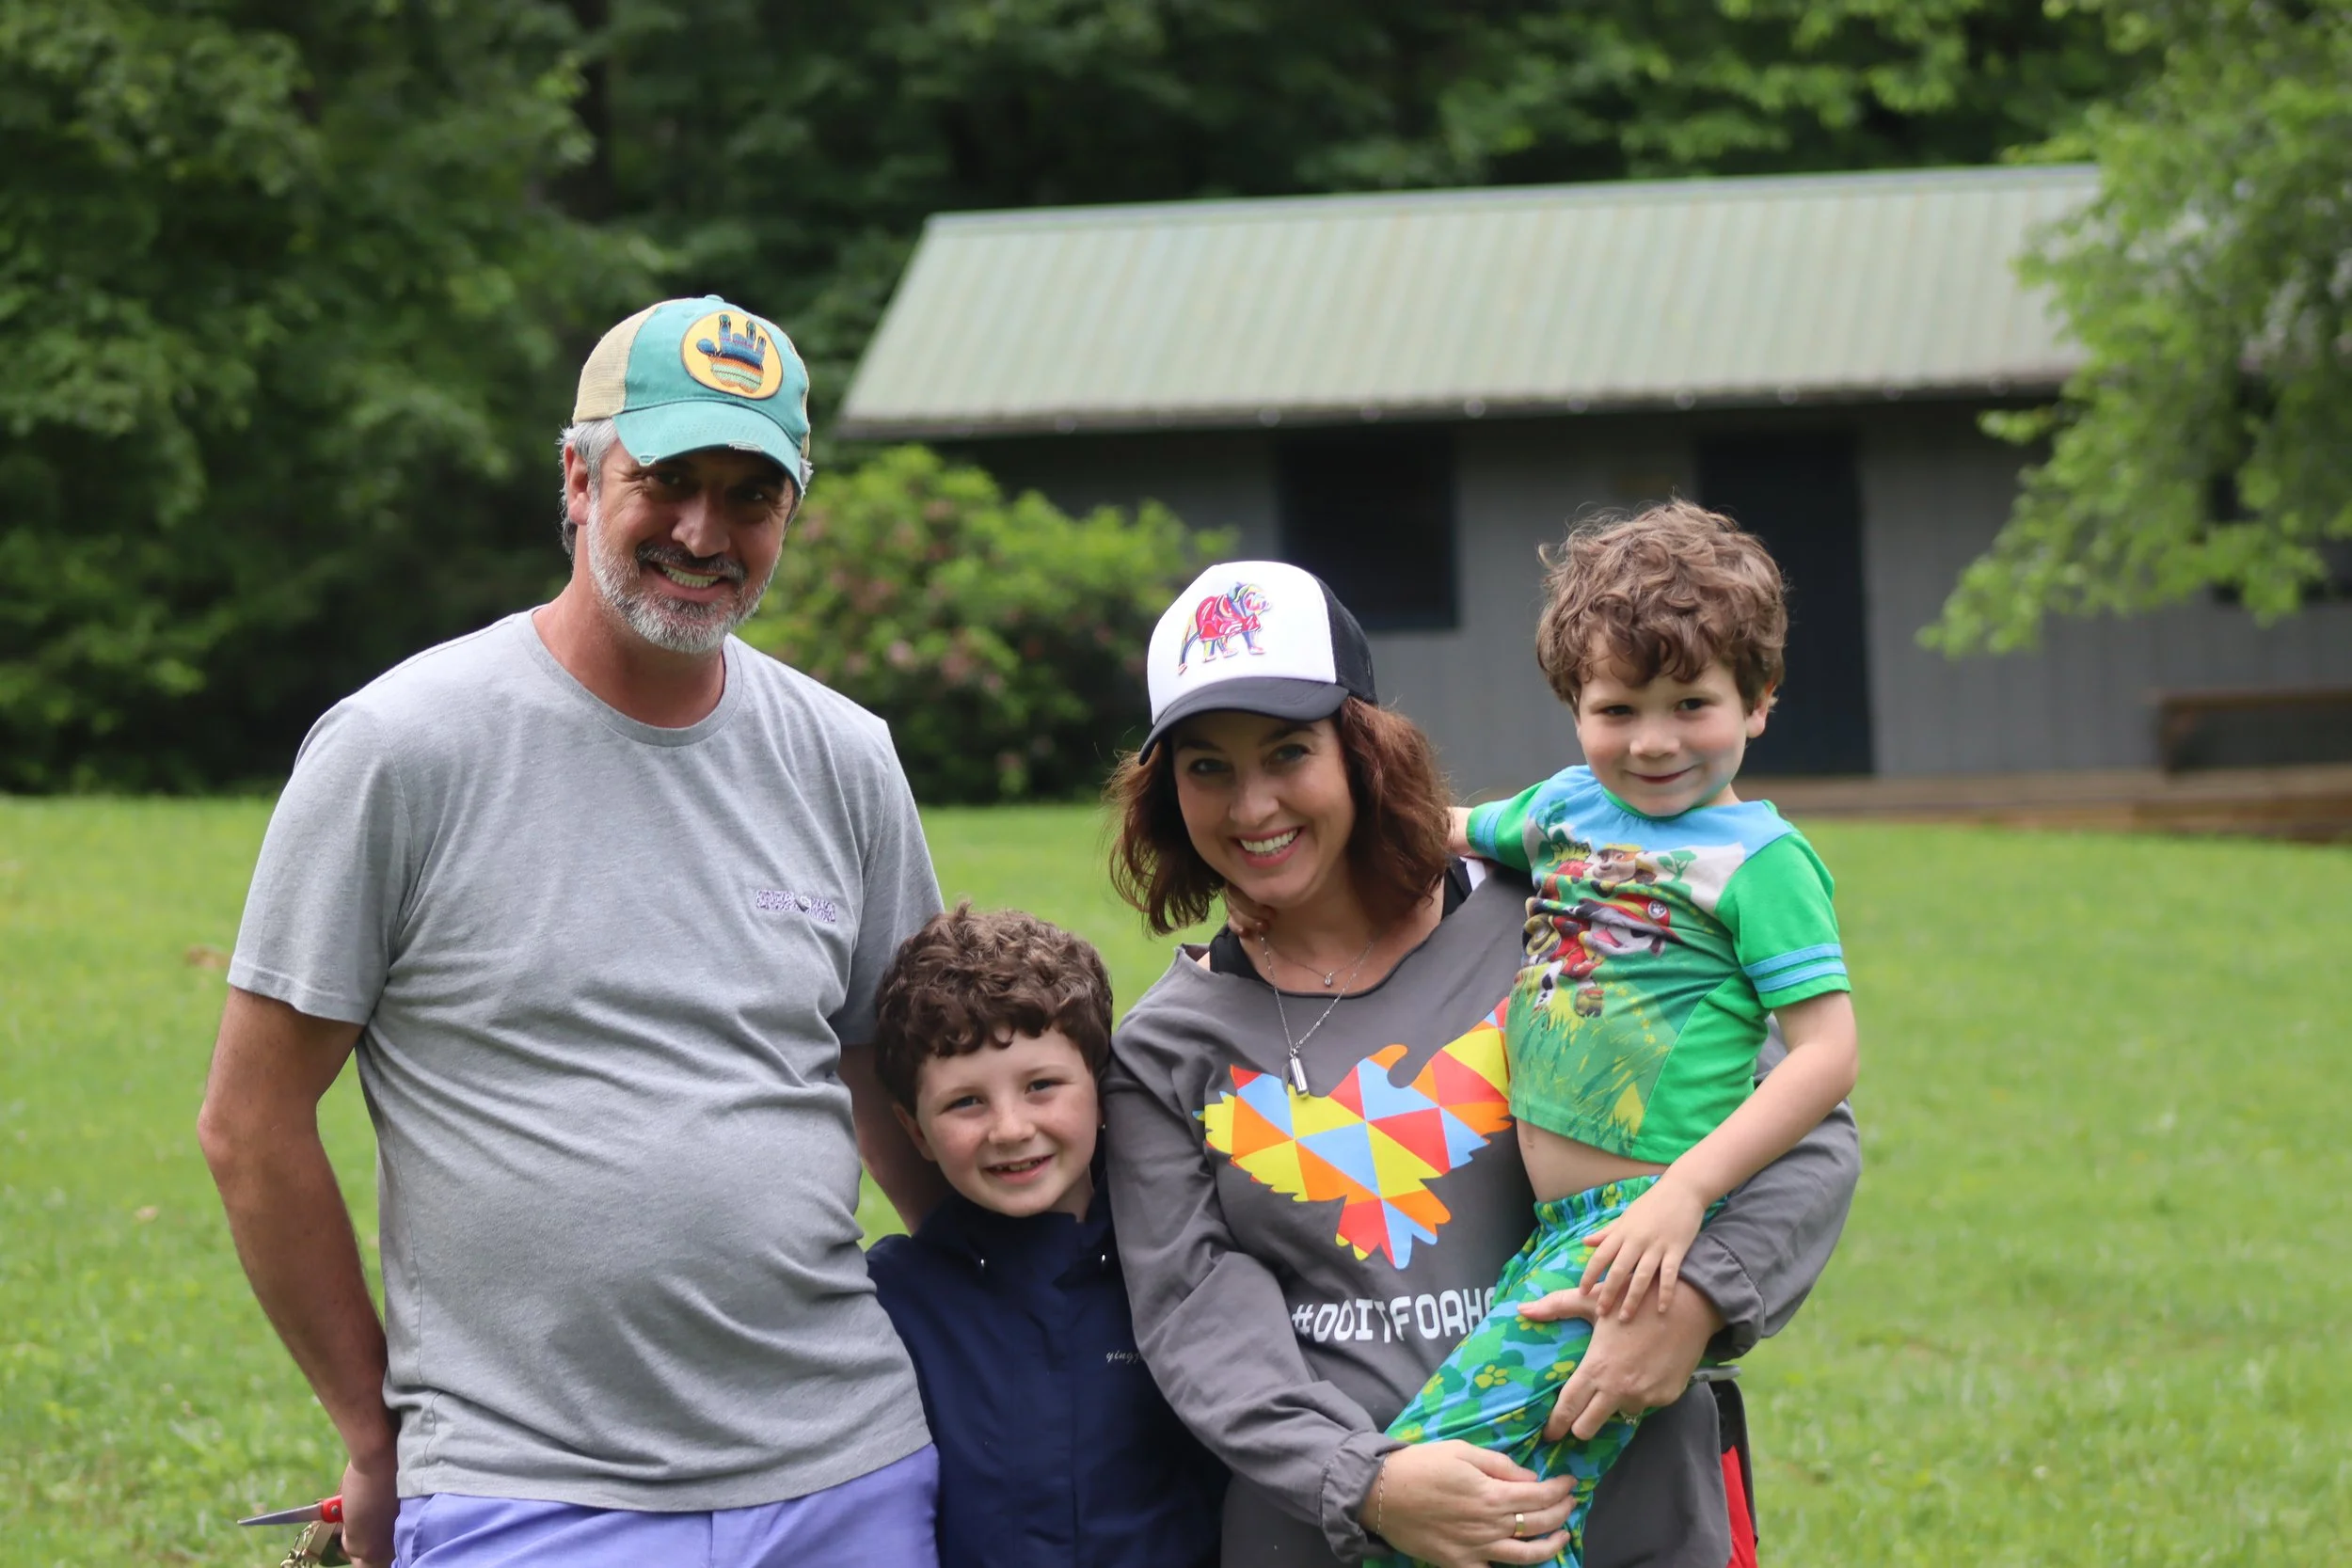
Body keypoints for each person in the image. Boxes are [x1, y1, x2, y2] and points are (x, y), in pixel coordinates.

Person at [197, 296, 946, 1568]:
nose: (705, 532)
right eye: (667, 480)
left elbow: (897, 1077)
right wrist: (373, 1435)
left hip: (851, 1468)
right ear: (579, 475)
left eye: (751, 494)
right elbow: (250, 1119)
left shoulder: (845, 756)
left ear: (791, 512)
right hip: (527, 1487)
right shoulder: (402, 746)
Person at [1104, 559, 1860, 1568]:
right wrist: (1363, 1480)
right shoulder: (1162, 1049)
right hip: (1330, 1539)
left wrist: (1696, 1296)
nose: (1252, 805)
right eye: (1206, 766)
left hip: (1627, 1514)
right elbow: (1197, 1319)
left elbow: (1808, 1130)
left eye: (1288, 751)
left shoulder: (1560, 908)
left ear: (1361, 748)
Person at [1380, 503, 1859, 1566]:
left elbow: (1826, 1055)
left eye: (1692, 703)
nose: (1652, 741)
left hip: (1637, 1229)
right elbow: (1448, 832)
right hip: (1550, 1229)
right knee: (1520, 1495)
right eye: (1617, 707)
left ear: (1760, 703)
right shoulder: (1563, 810)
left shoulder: (1760, 861)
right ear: (1573, 704)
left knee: (1442, 1474)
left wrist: (1682, 1192)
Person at [864, 904, 1227, 1568]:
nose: (1009, 1127)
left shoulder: (1183, 1263)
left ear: (1103, 1087)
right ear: (914, 1130)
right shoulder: (891, 1302)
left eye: (1041, 1086)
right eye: (965, 1101)